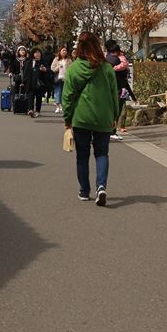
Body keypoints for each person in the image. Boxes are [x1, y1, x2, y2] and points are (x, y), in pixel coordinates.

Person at [63, 32, 122, 206]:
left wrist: (68, 120)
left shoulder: (73, 69)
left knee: (82, 156)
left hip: (81, 118)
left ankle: (84, 190)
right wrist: (114, 116)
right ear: (97, 46)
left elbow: (67, 97)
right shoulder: (106, 69)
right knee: (102, 153)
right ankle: (101, 186)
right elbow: (114, 95)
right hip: (103, 117)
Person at [106, 40, 131, 140]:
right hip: (116, 87)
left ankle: (112, 130)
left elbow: (125, 64)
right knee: (116, 108)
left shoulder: (119, 57)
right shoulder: (110, 57)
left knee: (117, 108)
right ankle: (111, 130)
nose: (114, 54)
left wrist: (114, 68)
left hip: (118, 87)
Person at [23, 48, 48, 118]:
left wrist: (45, 70)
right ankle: (31, 109)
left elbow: (48, 71)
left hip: (40, 83)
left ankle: (37, 111)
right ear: (33, 54)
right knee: (30, 96)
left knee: (39, 97)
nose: (37, 54)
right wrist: (23, 81)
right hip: (31, 82)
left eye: (39, 52)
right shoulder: (30, 62)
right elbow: (26, 72)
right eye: (36, 52)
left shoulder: (43, 62)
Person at [50, 46, 71, 114]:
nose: (64, 52)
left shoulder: (69, 60)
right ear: (60, 52)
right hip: (58, 78)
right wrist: (58, 67)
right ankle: (58, 106)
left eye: (65, 50)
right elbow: (52, 68)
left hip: (66, 78)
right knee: (58, 92)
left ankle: (63, 106)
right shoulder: (56, 59)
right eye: (63, 50)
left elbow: (72, 68)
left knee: (64, 93)